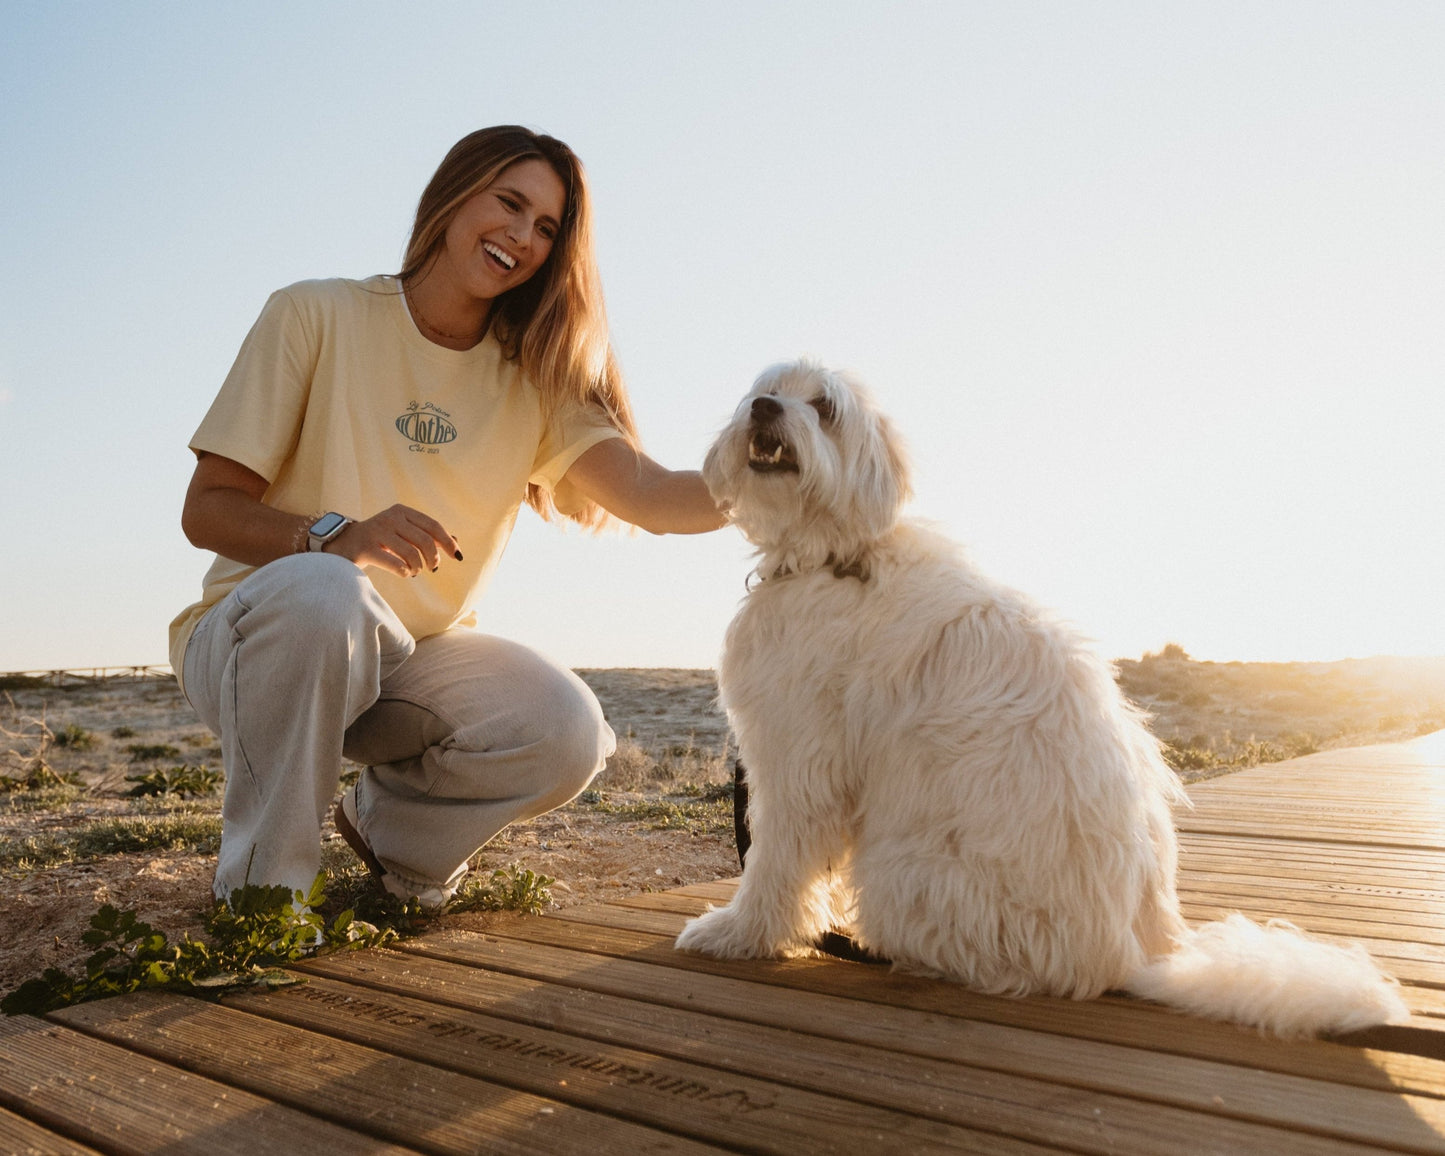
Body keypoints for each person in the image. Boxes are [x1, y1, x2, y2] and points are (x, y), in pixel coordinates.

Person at [171, 126, 725, 908]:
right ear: (453, 194)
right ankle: (264, 900)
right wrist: (337, 536)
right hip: (256, 645)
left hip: (406, 667)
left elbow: (655, 495)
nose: (522, 237)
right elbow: (207, 510)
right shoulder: (313, 313)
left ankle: (393, 840)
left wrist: (797, 476)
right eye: (509, 203)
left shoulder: (536, 379)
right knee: (327, 590)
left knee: (566, 726)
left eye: (546, 228)